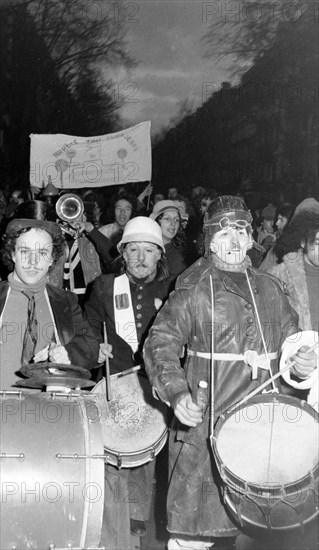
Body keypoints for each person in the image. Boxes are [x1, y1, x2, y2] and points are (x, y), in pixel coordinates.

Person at [144, 195, 318, 550]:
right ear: (209, 241)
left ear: (252, 237)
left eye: (241, 231)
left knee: (261, 531)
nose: (235, 241)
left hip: (264, 431)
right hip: (206, 425)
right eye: (224, 233)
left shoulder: (269, 287)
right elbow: (159, 344)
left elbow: (294, 340)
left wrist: (301, 363)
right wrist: (177, 394)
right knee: (194, 535)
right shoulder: (192, 289)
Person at [84, 216, 172, 550]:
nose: (140, 257)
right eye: (133, 249)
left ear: (159, 255)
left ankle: (138, 514)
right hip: (113, 384)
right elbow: (89, 325)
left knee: (145, 454)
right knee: (112, 461)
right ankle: (114, 534)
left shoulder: (170, 290)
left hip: (152, 387)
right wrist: (95, 347)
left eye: (148, 250)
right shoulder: (106, 286)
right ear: (123, 253)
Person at [0, 218, 99, 390]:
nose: (33, 261)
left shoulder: (64, 300)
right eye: (25, 251)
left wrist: (68, 354)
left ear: (53, 258)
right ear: (12, 254)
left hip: (48, 407)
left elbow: (90, 345)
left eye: (43, 253)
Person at [150, 200, 188, 285]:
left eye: (176, 220)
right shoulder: (144, 250)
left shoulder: (183, 255)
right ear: (157, 221)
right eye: (168, 219)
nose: (173, 224)